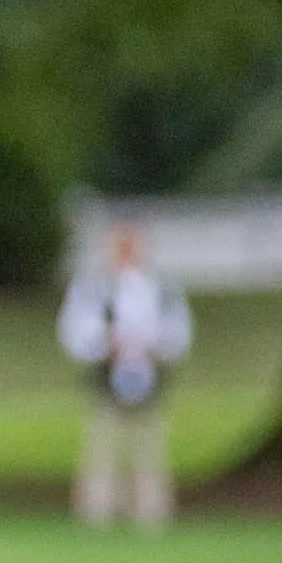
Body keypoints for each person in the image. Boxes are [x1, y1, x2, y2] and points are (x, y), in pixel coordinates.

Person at [60, 222, 192, 528]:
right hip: (107, 375)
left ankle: (150, 509)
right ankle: (98, 510)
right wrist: (104, 344)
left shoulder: (160, 286)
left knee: (149, 444)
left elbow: (177, 330)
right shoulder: (95, 286)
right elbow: (76, 329)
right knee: (103, 443)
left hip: (148, 373)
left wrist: (154, 345)